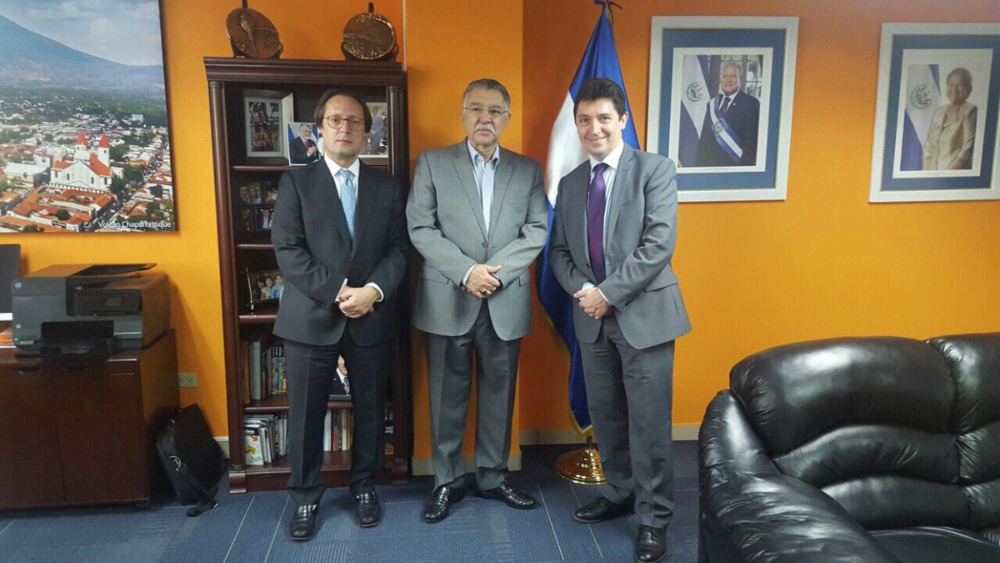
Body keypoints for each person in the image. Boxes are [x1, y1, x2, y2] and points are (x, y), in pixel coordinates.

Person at [548, 78, 691, 563]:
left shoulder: (655, 169)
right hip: (592, 319)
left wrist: (607, 293)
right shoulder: (571, 184)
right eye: (584, 119)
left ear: (623, 120)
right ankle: (620, 492)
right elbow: (559, 253)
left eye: (604, 118)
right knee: (607, 416)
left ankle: (654, 518)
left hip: (645, 317)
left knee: (648, 423)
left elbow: (658, 245)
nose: (594, 128)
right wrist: (585, 293)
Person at [406, 78, 548, 523]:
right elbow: (420, 227)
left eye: (495, 111)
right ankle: (446, 481)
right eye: (476, 109)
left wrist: (493, 275)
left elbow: (537, 230)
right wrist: (468, 272)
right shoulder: (432, 163)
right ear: (462, 114)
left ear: (507, 118)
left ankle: (492, 476)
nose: (485, 118)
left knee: (499, 397)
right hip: (448, 297)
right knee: (446, 397)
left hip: (504, 300)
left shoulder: (527, 170)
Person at [271, 88, 408, 541]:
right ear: (319, 130)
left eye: (354, 121)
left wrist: (373, 291)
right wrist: (338, 291)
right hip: (311, 317)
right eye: (335, 120)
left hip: (371, 314)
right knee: (306, 414)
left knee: (370, 409)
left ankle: (364, 486)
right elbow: (288, 250)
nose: (345, 128)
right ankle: (305, 497)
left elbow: (399, 249)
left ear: (367, 132)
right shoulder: (296, 183)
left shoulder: (388, 186)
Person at [695, 62, 760, 167]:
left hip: (735, 167)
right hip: (711, 167)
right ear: (720, 80)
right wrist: (699, 167)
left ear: (740, 79)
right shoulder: (712, 104)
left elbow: (751, 145)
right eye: (725, 76)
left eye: (733, 76)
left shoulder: (751, 104)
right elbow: (704, 140)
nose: (728, 80)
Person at [924, 67, 977, 171]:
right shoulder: (939, 112)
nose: (954, 89)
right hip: (932, 174)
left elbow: (968, 149)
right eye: (951, 85)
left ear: (968, 89)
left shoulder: (970, 111)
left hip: (954, 175)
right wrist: (924, 175)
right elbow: (928, 148)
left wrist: (948, 175)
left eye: (960, 85)